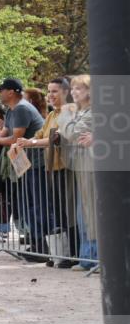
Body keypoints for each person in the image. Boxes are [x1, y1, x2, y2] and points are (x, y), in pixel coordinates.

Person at [0, 78, 47, 261]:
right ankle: (36, 244)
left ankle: (41, 246)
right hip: (24, 163)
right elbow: (5, 134)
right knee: (28, 203)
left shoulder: (22, 108)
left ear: (11, 92)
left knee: (36, 203)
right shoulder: (12, 110)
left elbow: (14, 139)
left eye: (1, 90)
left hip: (36, 163)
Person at [16, 77, 77, 268]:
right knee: (58, 212)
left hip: (68, 167)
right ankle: (61, 252)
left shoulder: (70, 112)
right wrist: (27, 141)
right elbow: (41, 134)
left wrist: (30, 142)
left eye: (55, 91)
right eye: (49, 91)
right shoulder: (51, 115)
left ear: (66, 93)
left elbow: (55, 137)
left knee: (69, 212)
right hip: (52, 168)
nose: (50, 95)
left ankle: (73, 253)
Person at [56, 75, 97, 271]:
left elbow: (73, 133)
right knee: (82, 213)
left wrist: (63, 116)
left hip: (92, 166)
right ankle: (86, 257)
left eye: (78, 89)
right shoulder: (79, 111)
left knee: (91, 213)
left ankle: (95, 257)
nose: (73, 92)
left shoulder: (92, 112)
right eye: (72, 88)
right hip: (80, 166)